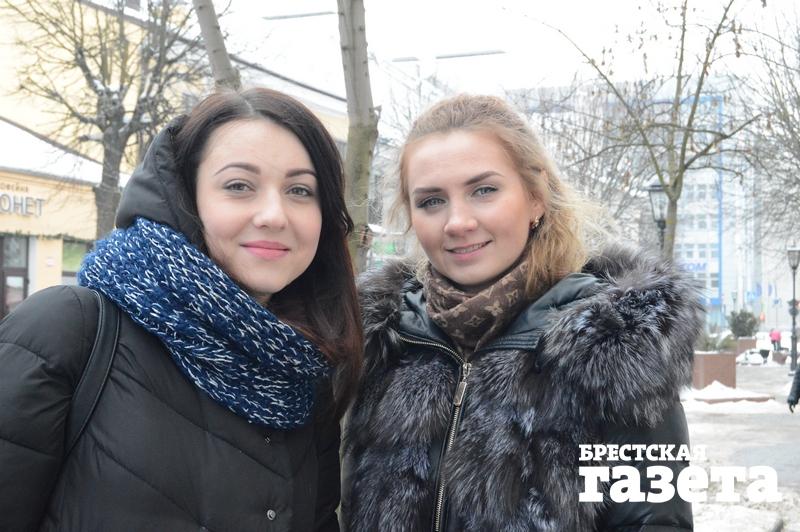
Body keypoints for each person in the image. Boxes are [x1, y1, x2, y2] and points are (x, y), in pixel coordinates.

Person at [0, 87, 362, 531]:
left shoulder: (305, 371)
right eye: (238, 186)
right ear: (185, 198)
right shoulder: (68, 328)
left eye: (300, 190)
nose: (274, 214)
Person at [341, 95, 702, 531]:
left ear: (535, 197)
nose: (457, 222)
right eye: (432, 201)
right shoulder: (381, 339)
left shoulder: (614, 345)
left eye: (484, 191)